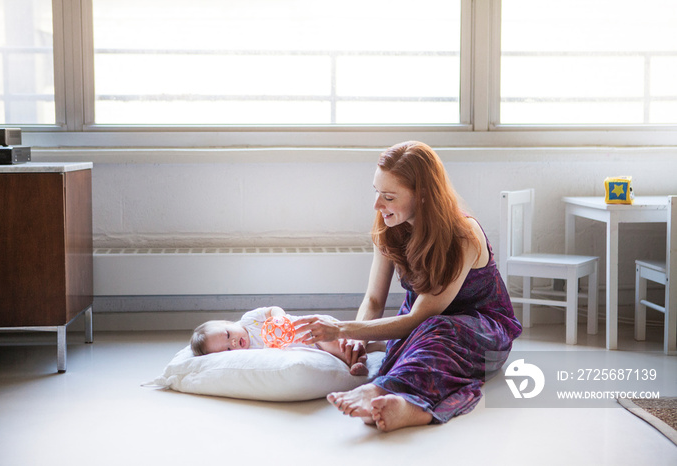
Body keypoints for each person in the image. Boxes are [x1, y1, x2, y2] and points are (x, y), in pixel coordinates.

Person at [294, 141, 522, 432]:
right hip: (420, 326)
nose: (378, 205)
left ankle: (387, 395)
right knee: (409, 340)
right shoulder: (389, 223)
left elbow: (419, 319)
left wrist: (342, 329)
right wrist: (357, 341)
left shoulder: (464, 235)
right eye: (377, 192)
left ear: (424, 196)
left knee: (433, 329)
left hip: (480, 330)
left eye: (388, 197)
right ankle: (399, 405)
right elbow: (374, 301)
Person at [190, 306, 384, 376]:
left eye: (227, 335)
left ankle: (357, 356)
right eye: (227, 350)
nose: (232, 343)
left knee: (335, 344)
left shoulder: (249, 320)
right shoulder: (247, 355)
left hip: (309, 332)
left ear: (228, 323)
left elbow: (272, 309)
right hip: (309, 350)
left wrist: (279, 318)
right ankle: (357, 362)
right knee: (334, 354)